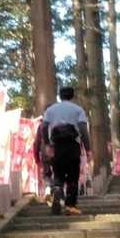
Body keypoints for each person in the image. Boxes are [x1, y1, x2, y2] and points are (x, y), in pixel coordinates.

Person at [34, 85, 91, 216]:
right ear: (72, 96)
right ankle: (70, 206)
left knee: (58, 173)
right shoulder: (78, 110)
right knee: (72, 176)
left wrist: (47, 144)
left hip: (57, 145)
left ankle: (57, 190)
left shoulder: (51, 110)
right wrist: (87, 148)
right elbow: (83, 130)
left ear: (60, 96)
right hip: (73, 145)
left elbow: (44, 127)